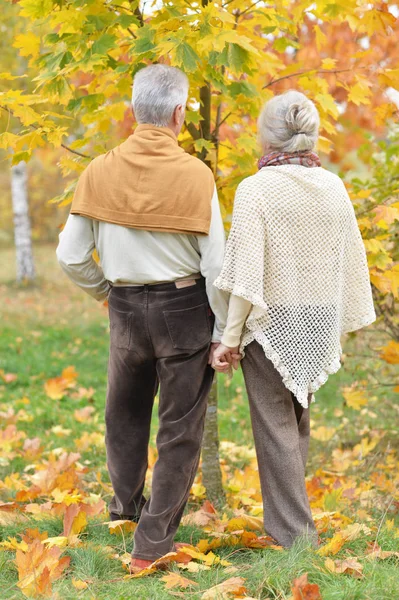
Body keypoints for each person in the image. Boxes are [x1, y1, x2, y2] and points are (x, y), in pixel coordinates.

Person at [56, 64, 228, 573]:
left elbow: (69, 256)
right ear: (179, 113)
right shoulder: (196, 175)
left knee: (124, 415)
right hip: (185, 310)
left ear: (133, 111)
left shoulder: (99, 170)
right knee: (179, 427)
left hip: (126, 307)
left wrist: (104, 291)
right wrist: (224, 331)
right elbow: (217, 267)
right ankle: (152, 543)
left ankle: (125, 511)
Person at [212, 90, 375, 548]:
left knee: (275, 425)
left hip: (271, 318)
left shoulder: (255, 189)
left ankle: (295, 536)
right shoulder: (333, 186)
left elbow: (247, 275)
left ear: (267, 135)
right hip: (317, 314)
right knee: (297, 421)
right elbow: (345, 256)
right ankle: (294, 524)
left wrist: (230, 338)